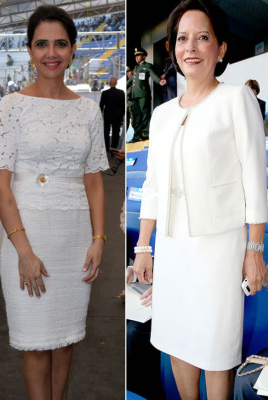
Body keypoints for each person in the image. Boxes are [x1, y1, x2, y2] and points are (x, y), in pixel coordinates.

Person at [132, 1, 267, 398]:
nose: (191, 47)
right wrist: (144, 247)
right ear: (173, 48)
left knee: (215, 347)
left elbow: (254, 182)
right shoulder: (161, 115)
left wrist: (254, 248)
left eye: (203, 37)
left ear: (221, 48)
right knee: (177, 339)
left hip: (219, 247)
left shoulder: (236, 100)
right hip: (172, 247)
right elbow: (154, 185)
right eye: (182, 38)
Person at [0, 5, 107, 399]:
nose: (51, 52)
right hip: (27, 236)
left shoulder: (89, 110)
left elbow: (93, 181)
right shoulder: (11, 107)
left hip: (74, 239)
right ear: (29, 50)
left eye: (60, 43)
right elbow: (0, 187)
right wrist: (23, 250)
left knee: (66, 341)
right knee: (35, 344)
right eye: (42, 44)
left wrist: (100, 238)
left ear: (73, 50)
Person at [127, 47, 166, 141]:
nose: (136, 57)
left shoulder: (147, 66)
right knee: (136, 116)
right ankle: (137, 135)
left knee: (144, 115)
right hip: (134, 95)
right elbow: (131, 81)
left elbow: (152, 74)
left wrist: (159, 81)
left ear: (144, 56)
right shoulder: (136, 68)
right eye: (135, 56)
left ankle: (145, 134)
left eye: (138, 55)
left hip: (143, 94)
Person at [99, 76, 125, 152]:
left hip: (107, 115)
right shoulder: (121, 93)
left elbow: (101, 105)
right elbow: (123, 106)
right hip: (117, 116)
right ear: (116, 83)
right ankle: (113, 149)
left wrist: (100, 116)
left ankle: (106, 149)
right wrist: (121, 115)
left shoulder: (104, 93)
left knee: (106, 132)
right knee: (116, 133)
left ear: (109, 84)